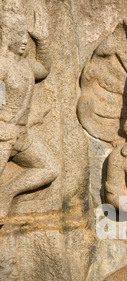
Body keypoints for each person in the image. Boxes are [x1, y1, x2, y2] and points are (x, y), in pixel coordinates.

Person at [0, 4, 58, 218]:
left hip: (21, 136)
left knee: (50, 168)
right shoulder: (2, 65)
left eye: (25, 36)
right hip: (3, 134)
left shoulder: (26, 66)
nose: (24, 41)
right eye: (18, 35)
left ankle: (7, 193)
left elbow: (43, 69)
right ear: (7, 36)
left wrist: (41, 40)